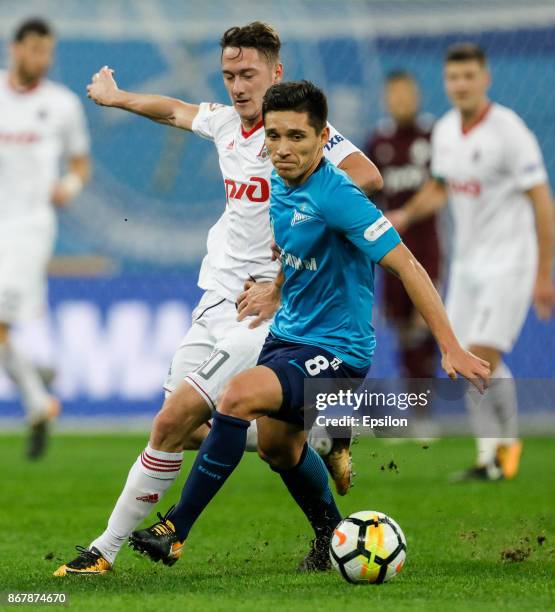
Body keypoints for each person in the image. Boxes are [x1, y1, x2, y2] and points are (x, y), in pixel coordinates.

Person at [54, 22, 382, 577]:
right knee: (231, 437)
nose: (236, 85)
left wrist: (288, 272)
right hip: (217, 294)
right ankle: (321, 452)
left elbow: (367, 176)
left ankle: (103, 551)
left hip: (265, 306)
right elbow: (174, 110)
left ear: (276, 72)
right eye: (229, 74)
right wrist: (116, 98)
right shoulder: (228, 123)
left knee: (173, 420)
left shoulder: (298, 135)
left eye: (247, 73)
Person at [125, 80, 490, 572]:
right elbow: (296, 247)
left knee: (235, 397)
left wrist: (451, 347)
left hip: (338, 348)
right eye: (274, 136)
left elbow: (406, 265)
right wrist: (276, 288)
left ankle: (176, 531)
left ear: (323, 139)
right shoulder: (280, 181)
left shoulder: (340, 196)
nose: (282, 148)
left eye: (297, 137)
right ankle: (329, 537)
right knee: (278, 447)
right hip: (289, 334)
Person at [388, 43, 555, 480]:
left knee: (481, 354)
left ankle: (503, 454)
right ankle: (490, 458)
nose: (460, 85)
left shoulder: (510, 131)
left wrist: (543, 273)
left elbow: (541, 199)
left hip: (511, 262)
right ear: (446, 83)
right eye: (453, 78)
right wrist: (404, 214)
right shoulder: (444, 131)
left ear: (485, 79)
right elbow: (441, 187)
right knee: (461, 358)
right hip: (466, 266)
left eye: (469, 77)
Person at [0, 18, 91, 459]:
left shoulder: (62, 105)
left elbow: (79, 163)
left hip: (28, 227)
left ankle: (37, 394)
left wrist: (68, 188)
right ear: (15, 49)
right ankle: (38, 389)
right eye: (33, 49)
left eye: (47, 52)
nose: (40, 59)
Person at [366, 71, 440, 435]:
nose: (400, 102)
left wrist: (408, 215)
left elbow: (442, 187)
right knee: (400, 325)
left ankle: (422, 413)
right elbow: (366, 194)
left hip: (427, 247)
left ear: (417, 96)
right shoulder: (377, 141)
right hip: (389, 249)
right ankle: (410, 410)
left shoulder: (434, 135)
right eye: (393, 96)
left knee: (422, 323)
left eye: (406, 95)